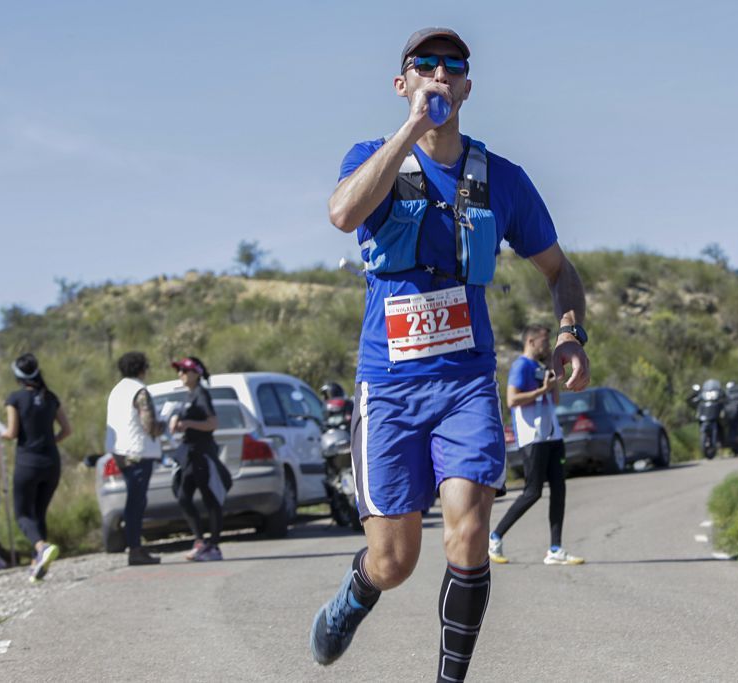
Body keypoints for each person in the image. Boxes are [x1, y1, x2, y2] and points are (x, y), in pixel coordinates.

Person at [309, 27, 591, 682]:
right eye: (424, 65)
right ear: (403, 83)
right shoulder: (372, 156)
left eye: (452, 66)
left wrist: (572, 331)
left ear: (467, 86)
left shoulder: (503, 182)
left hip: (465, 385)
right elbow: (343, 214)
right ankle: (356, 593)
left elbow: (559, 270)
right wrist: (409, 133)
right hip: (390, 388)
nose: (439, 74)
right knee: (395, 560)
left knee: (467, 533)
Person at [488, 324, 584, 566]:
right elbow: (512, 400)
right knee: (532, 492)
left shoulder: (541, 366)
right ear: (530, 342)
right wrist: (541, 389)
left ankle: (555, 548)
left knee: (559, 490)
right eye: (544, 341)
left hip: (552, 436)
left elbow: (554, 398)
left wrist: (551, 384)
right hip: (533, 438)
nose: (548, 345)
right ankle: (495, 537)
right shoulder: (521, 366)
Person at [2, 354, 71, 583]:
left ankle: (41, 548)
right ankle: (36, 565)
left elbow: (12, 433)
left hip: (28, 463)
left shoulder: (16, 399)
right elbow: (66, 430)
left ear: (18, 376)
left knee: (22, 514)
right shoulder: (50, 397)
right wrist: (50, 442)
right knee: (39, 513)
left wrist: (0, 432)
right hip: (51, 462)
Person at [105, 351, 164, 566]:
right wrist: (165, 423)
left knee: (134, 501)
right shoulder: (139, 391)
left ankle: (135, 547)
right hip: (139, 452)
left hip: (120, 452)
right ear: (142, 369)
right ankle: (135, 549)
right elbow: (149, 426)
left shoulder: (116, 391)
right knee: (136, 503)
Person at [169, 356, 224, 562]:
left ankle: (214, 546)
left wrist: (188, 423)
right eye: (179, 370)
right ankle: (201, 541)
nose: (180, 374)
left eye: (184, 370)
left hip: (202, 453)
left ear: (195, 373)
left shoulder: (201, 394)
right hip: (189, 454)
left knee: (211, 498)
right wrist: (177, 421)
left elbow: (212, 423)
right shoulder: (189, 395)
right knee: (183, 497)